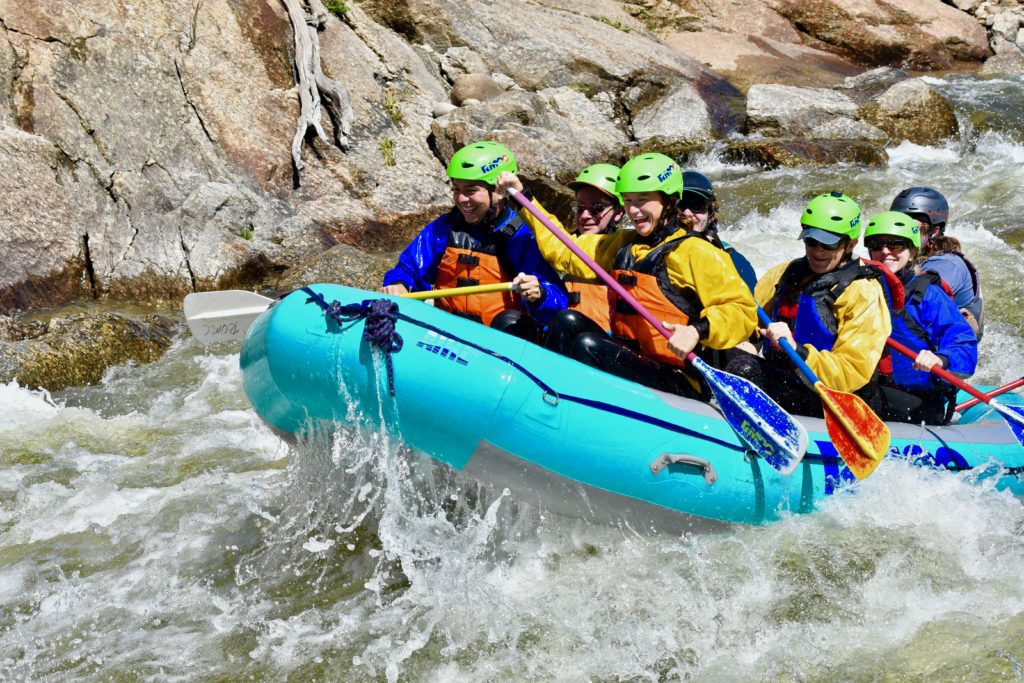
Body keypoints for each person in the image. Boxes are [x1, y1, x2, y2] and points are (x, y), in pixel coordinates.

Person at [497, 152, 758, 400]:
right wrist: (524, 198)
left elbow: (742, 311)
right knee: (566, 321)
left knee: (588, 344)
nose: (634, 211)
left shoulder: (696, 251)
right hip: (633, 360)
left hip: (678, 378)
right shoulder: (623, 244)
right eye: (629, 200)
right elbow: (563, 248)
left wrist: (696, 331)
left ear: (669, 201)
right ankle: (544, 397)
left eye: (643, 200)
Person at [725, 192, 892, 417]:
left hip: (831, 396)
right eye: (811, 241)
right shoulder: (787, 272)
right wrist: (743, 338)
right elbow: (748, 316)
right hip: (788, 378)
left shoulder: (863, 291)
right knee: (719, 351)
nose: (818, 251)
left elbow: (851, 371)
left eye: (828, 244)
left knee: (745, 370)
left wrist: (798, 351)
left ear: (850, 244)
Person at [381, 141, 567, 338]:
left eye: (470, 190)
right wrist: (399, 282)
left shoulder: (522, 236)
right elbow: (410, 267)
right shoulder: (445, 227)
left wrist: (540, 295)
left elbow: (559, 300)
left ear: (498, 192)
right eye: (456, 189)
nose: (461, 199)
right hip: (447, 336)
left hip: (502, 342)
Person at [863, 211, 978, 424]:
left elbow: (964, 344)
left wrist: (940, 358)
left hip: (919, 401)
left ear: (912, 250)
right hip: (868, 387)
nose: (886, 251)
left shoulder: (929, 295)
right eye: (878, 245)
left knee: (863, 397)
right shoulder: (858, 287)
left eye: (896, 245)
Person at [889, 187, 984, 338]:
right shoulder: (901, 254)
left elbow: (922, 295)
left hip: (948, 347)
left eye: (911, 228)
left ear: (934, 232)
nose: (901, 233)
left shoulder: (948, 264)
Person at [561, 163, 625, 330]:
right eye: (579, 208)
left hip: (603, 342)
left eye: (596, 209)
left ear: (618, 213)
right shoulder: (562, 247)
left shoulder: (624, 253)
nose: (584, 216)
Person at [678, 171, 757, 292]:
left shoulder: (733, 260)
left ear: (710, 214)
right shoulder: (653, 250)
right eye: (680, 204)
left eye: (697, 204)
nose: (687, 213)